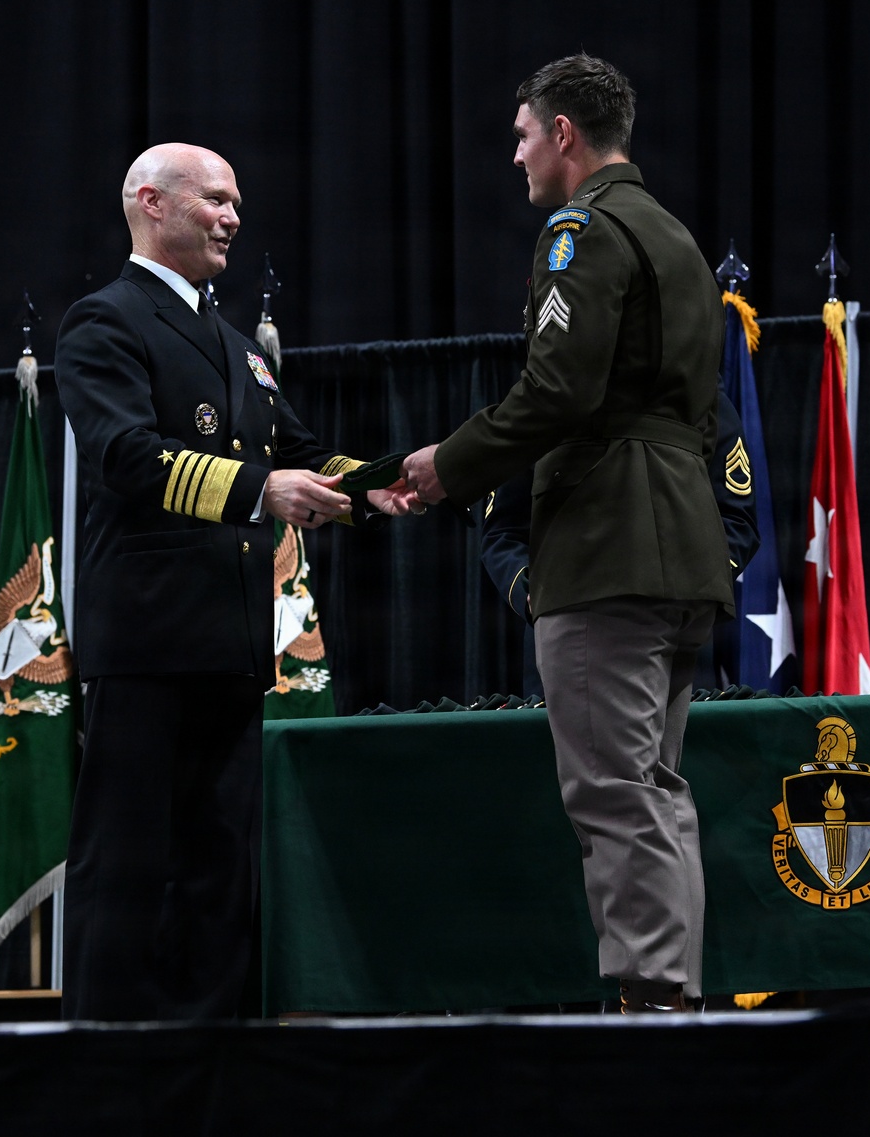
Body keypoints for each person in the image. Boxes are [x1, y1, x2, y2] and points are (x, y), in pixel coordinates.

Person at [55, 142, 421, 1021]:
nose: (233, 217)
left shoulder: (234, 344)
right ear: (151, 202)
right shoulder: (104, 321)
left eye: (236, 203)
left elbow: (295, 451)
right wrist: (262, 491)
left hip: (231, 644)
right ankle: (101, 1061)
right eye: (215, 200)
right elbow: (125, 455)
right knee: (129, 866)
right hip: (147, 643)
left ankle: (214, 1059)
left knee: (220, 870)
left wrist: (380, 482)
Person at [403, 55, 734, 1013]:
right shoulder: (675, 235)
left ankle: (649, 1008)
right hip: (681, 543)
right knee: (656, 790)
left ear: (562, 134)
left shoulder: (581, 229)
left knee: (615, 796)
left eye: (521, 136)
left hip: (605, 547)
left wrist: (450, 463)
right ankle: (672, 1002)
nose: (514, 156)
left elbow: (559, 390)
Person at [481, 383, 760, 698]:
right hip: (563, 629)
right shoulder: (541, 397)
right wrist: (530, 594)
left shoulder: (699, 394)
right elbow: (503, 532)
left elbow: (736, 520)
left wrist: (693, 584)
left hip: (674, 634)